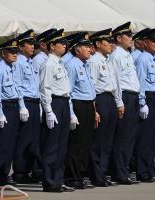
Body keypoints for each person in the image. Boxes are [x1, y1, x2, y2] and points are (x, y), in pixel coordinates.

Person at [87, 28, 124, 187]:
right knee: (99, 140)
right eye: (107, 42)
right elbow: (92, 86)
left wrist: (118, 102)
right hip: (100, 99)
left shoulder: (108, 60)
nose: (110, 45)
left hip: (110, 99)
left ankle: (103, 172)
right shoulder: (94, 61)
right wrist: (94, 110)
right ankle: (96, 175)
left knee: (108, 140)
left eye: (111, 42)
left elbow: (115, 84)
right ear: (97, 44)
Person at [39, 29, 74, 192]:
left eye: (65, 43)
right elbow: (44, 88)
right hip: (54, 104)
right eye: (61, 43)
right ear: (52, 46)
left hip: (64, 103)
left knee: (62, 145)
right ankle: (49, 181)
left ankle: (58, 180)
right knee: (52, 145)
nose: (65, 46)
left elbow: (66, 89)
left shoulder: (60, 63)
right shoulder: (48, 64)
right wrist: (48, 110)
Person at [109, 22, 140, 185]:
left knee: (130, 137)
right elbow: (116, 80)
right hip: (125, 96)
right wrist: (119, 102)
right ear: (119, 38)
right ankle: (119, 172)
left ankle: (124, 169)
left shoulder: (128, 54)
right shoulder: (116, 55)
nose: (131, 39)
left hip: (133, 96)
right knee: (123, 138)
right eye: (128, 36)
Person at [0, 38, 25, 186]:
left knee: (11, 144)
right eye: (11, 52)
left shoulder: (11, 67)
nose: (15, 54)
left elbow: (17, 88)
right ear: (3, 53)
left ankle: (5, 173)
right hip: (4, 107)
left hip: (13, 106)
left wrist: (21, 106)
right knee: (2, 144)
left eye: (16, 51)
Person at [64, 32, 96, 189]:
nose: (90, 49)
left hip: (88, 105)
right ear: (77, 50)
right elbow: (68, 92)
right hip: (78, 105)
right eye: (86, 47)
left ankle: (80, 175)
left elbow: (90, 91)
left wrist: (94, 110)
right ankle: (72, 176)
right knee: (76, 143)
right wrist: (71, 113)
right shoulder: (72, 65)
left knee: (86, 142)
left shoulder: (85, 65)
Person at [11, 30, 41, 183]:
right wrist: (22, 106)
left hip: (35, 102)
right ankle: (20, 172)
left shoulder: (30, 62)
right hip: (26, 103)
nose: (32, 46)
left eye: (33, 44)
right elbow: (18, 86)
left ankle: (28, 170)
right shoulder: (19, 63)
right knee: (24, 139)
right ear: (21, 46)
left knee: (33, 140)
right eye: (29, 44)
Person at [135, 28, 155, 182]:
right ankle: (143, 172)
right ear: (145, 43)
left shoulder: (153, 59)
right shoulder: (143, 59)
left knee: (154, 136)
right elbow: (141, 81)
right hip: (149, 99)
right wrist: (142, 102)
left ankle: (149, 170)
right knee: (146, 137)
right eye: (154, 41)